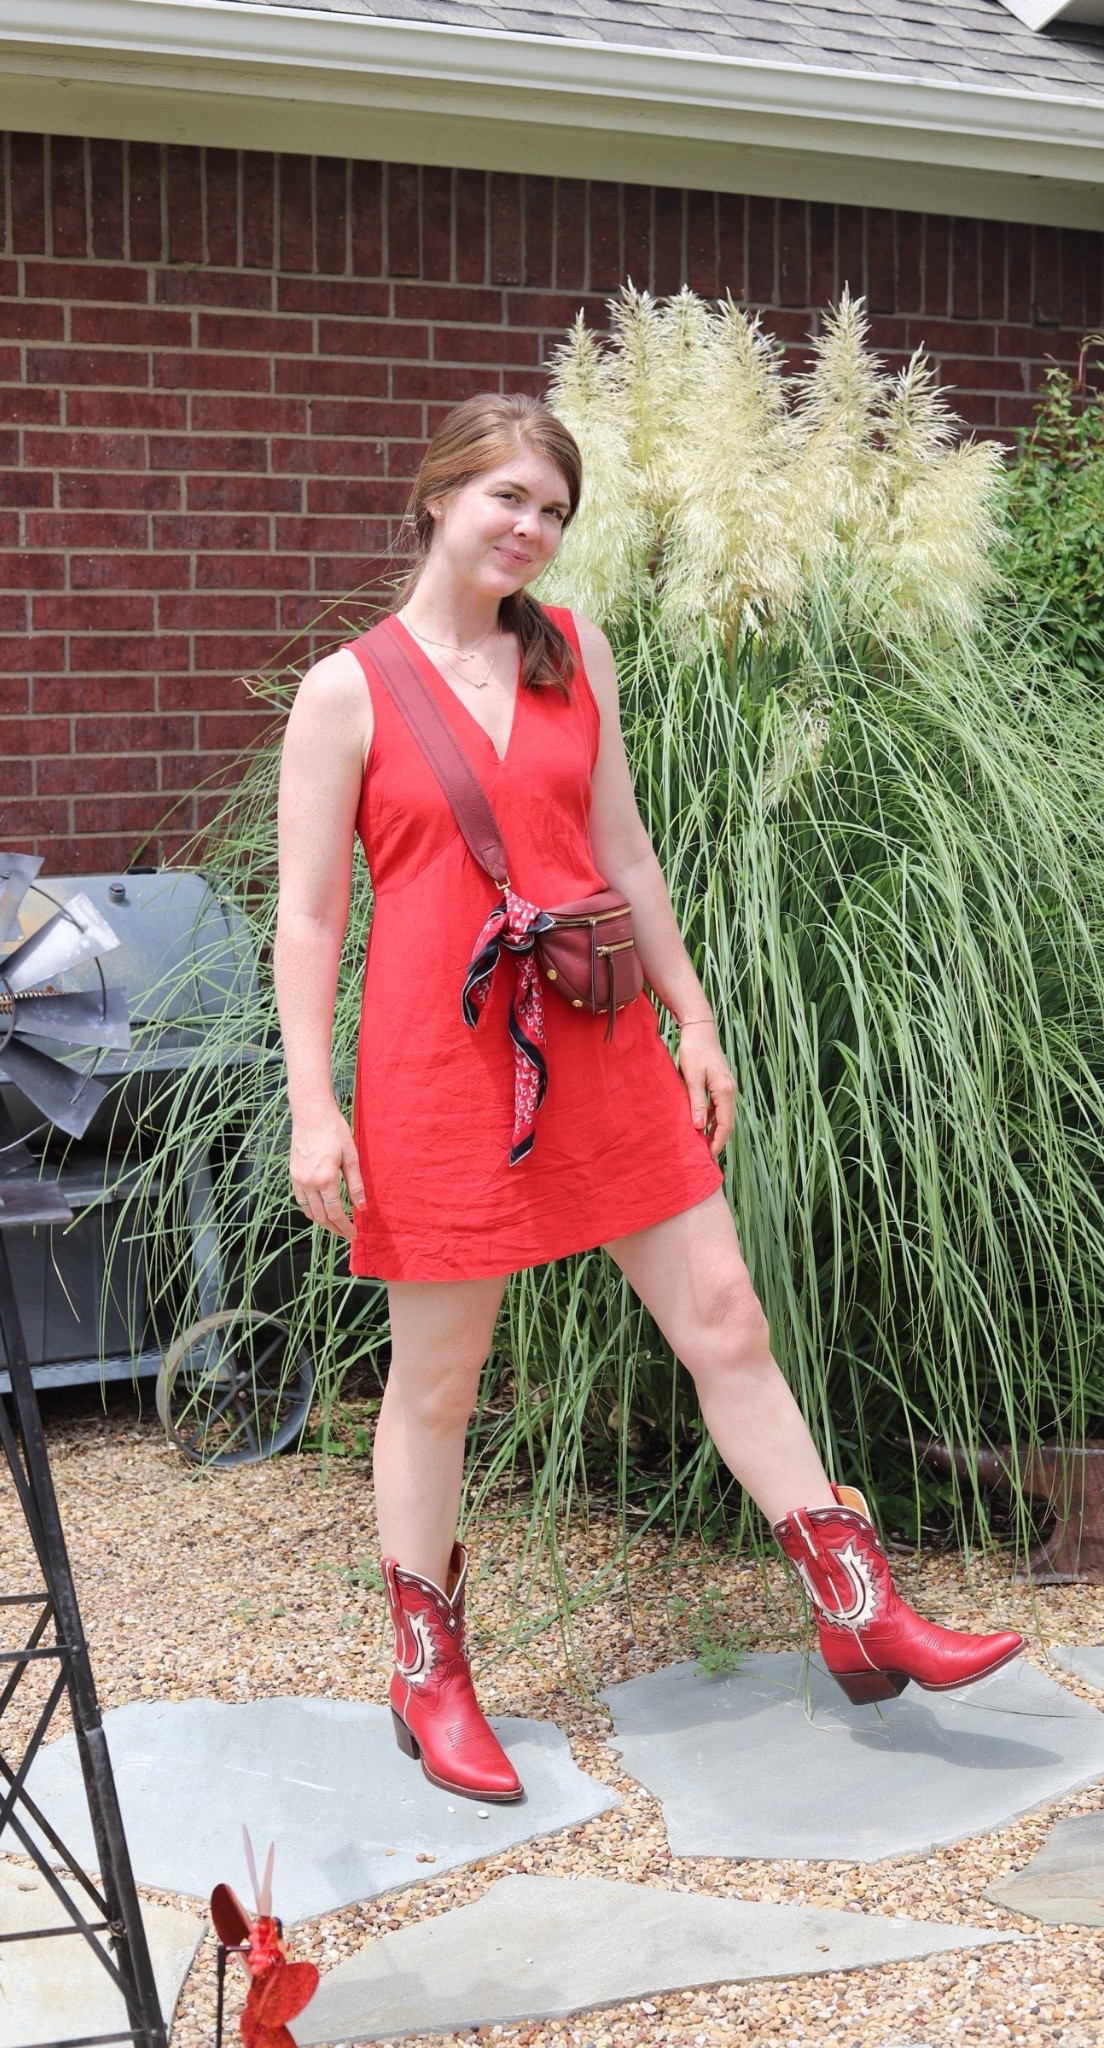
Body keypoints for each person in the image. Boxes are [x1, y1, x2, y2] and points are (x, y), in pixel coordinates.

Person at [273, 393, 1023, 1804]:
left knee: (725, 1316)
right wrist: (317, 1107)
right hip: (437, 1070)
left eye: (553, 511)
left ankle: (858, 1603)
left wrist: (696, 1014)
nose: (530, 530)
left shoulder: (576, 658)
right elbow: (308, 917)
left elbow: (626, 853)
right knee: (437, 1383)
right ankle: (426, 1670)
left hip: (603, 1041)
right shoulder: (347, 690)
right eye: (506, 497)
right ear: (436, 497)